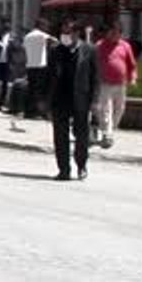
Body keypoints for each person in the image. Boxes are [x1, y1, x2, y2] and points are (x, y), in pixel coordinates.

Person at [48, 19, 100, 181]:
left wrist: (95, 100)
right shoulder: (56, 50)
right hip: (60, 98)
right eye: (63, 33)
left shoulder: (89, 50)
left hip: (80, 98)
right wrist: (44, 98)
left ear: (77, 33)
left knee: (81, 135)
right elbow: (48, 75)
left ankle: (81, 165)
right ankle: (64, 169)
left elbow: (95, 78)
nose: (64, 36)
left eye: (68, 33)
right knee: (60, 136)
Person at [95, 21, 138, 149]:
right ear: (107, 33)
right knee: (105, 109)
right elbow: (93, 62)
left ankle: (110, 131)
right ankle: (107, 134)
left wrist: (133, 78)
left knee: (120, 110)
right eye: (112, 32)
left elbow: (132, 65)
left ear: (121, 33)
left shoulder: (125, 46)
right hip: (104, 83)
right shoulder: (100, 46)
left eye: (118, 32)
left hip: (121, 83)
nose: (114, 34)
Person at [23, 18, 55, 118]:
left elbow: (23, 48)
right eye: (46, 26)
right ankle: (35, 111)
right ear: (41, 26)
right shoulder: (42, 35)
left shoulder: (27, 36)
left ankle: (28, 111)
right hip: (40, 66)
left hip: (29, 66)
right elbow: (55, 41)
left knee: (30, 89)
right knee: (39, 91)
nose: (47, 29)